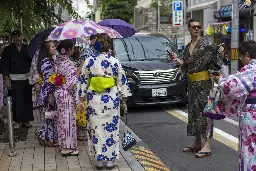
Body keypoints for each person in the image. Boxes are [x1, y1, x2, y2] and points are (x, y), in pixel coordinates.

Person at [77, 33, 131, 170]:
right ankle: (110, 161)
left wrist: (81, 99)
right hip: (111, 99)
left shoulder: (89, 61)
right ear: (109, 46)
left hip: (94, 99)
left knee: (96, 129)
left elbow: (83, 81)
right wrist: (124, 100)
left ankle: (99, 160)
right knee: (111, 129)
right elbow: (122, 82)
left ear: (95, 45)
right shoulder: (114, 61)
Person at [170, 18, 222, 158]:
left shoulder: (207, 44)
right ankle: (197, 142)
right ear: (189, 29)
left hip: (204, 84)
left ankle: (207, 144)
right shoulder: (187, 47)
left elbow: (219, 55)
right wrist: (177, 60)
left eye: (198, 26)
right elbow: (187, 65)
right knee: (193, 113)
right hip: (192, 85)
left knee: (206, 113)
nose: (196, 29)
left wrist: (217, 63)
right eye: (193, 27)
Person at [212, 40, 256, 171]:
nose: (242, 60)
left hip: (252, 115)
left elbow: (230, 87)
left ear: (246, 55)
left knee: (250, 149)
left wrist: (220, 79)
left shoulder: (251, 69)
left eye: (241, 57)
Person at [1, 30, 33, 129]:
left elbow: (32, 63)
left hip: (26, 79)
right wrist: (6, 79)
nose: (17, 39)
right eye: (15, 37)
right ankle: (16, 121)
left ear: (22, 37)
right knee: (15, 101)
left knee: (27, 100)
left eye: (19, 36)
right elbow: (4, 65)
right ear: (12, 38)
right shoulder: (7, 50)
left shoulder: (27, 48)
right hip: (13, 80)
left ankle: (26, 120)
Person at [55, 40, 78, 156]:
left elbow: (55, 78)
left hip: (59, 92)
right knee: (68, 120)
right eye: (72, 48)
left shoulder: (57, 60)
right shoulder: (68, 63)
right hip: (66, 94)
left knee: (61, 119)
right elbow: (71, 84)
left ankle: (62, 144)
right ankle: (67, 147)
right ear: (67, 50)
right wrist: (78, 73)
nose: (73, 50)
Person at [36, 41, 58, 147]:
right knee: (49, 116)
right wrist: (50, 95)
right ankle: (44, 136)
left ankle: (48, 137)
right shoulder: (47, 63)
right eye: (52, 47)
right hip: (49, 93)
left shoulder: (50, 61)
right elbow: (50, 80)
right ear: (47, 49)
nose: (54, 48)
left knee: (51, 116)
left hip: (49, 91)